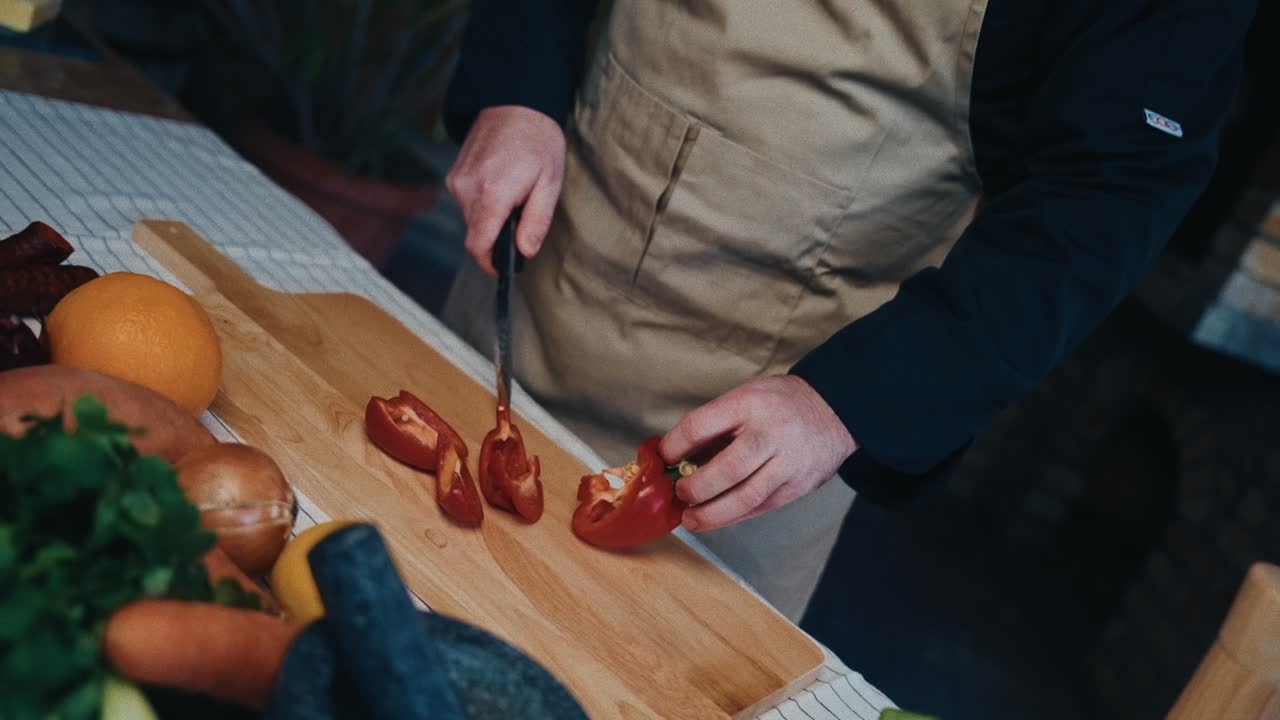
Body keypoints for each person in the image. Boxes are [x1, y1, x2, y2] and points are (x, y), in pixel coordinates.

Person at [438, 0, 1257, 622]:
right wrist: (516, 85)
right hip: (533, 271)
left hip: (763, 422)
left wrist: (859, 397)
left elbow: (1099, 202)